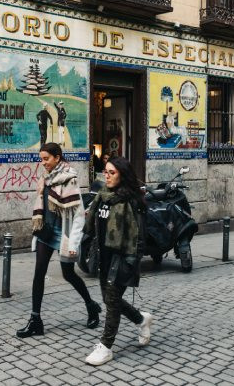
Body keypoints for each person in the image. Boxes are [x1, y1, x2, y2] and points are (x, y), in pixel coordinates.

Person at [16, 142, 101, 338]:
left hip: (64, 233)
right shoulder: (46, 177)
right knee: (39, 273)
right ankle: (35, 320)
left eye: (46, 159)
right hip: (46, 231)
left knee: (68, 274)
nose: (43, 163)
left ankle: (91, 305)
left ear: (57, 157)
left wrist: (73, 244)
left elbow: (78, 215)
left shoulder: (68, 179)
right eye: (41, 159)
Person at [84, 156, 154, 366]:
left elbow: (139, 237)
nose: (107, 176)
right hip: (104, 256)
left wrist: (132, 262)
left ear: (122, 175)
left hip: (123, 257)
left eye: (111, 172)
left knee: (112, 302)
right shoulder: (102, 196)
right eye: (105, 171)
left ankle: (105, 347)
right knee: (109, 299)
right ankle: (142, 320)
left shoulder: (132, 201)